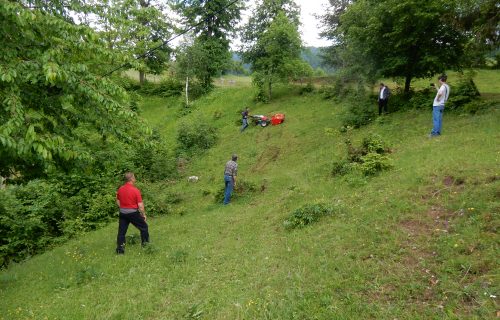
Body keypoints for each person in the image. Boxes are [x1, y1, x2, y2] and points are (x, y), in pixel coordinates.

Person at [116, 172, 149, 254]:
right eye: (134, 177)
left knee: (121, 232)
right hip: (133, 213)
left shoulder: (120, 189)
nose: (135, 178)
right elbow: (140, 206)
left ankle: (120, 251)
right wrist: (143, 215)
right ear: (131, 179)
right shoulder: (135, 190)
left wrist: (123, 208)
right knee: (144, 227)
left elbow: (117, 201)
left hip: (123, 213)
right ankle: (146, 246)